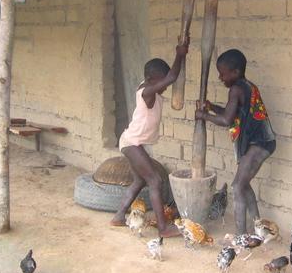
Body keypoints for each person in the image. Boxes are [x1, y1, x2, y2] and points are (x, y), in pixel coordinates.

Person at [110, 39, 189, 237]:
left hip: (131, 142)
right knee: (155, 180)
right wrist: (179, 54)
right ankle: (163, 229)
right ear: (151, 79)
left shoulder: (149, 86)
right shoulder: (147, 92)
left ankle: (118, 216)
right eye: (160, 82)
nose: (164, 87)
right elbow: (171, 77)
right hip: (131, 143)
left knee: (139, 182)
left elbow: (169, 77)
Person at [195, 49, 275, 235]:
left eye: (223, 73)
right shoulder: (247, 86)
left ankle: (241, 236)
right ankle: (258, 227)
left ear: (236, 72)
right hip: (261, 142)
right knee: (243, 184)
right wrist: (212, 107)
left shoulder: (236, 89)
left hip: (259, 143)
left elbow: (226, 120)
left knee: (238, 186)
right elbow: (231, 114)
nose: (220, 77)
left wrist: (203, 115)